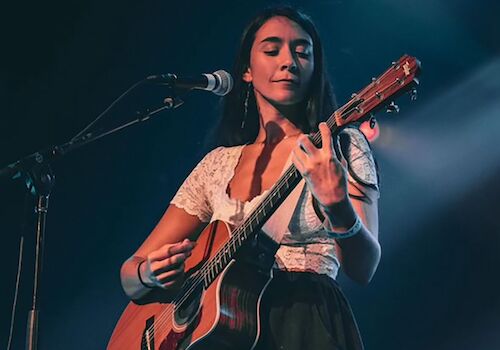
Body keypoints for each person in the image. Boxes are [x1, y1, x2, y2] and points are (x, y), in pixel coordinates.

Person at [120, 6, 381, 350]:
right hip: (223, 337)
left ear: (315, 68)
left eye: (302, 52)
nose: (288, 61)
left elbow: (364, 269)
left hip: (306, 324)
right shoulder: (217, 164)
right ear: (245, 70)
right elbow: (130, 274)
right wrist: (149, 275)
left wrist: (337, 206)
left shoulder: (340, 146)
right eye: (272, 50)